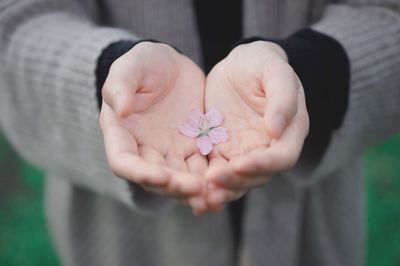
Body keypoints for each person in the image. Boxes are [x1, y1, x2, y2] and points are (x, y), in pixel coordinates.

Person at [0, 0, 399, 265]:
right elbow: (15, 24)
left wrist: (307, 74)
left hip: (312, 225)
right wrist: (111, 74)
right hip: (122, 240)